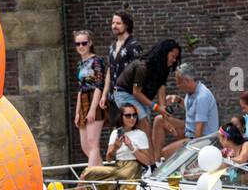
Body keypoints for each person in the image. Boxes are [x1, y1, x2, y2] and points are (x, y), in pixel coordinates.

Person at [67, 105, 153, 190]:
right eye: (128, 115)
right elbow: (108, 158)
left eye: (134, 115)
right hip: (118, 168)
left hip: (132, 170)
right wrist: (115, 148)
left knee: (88, 173)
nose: (132, 118)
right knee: (85, 175)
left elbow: (147, 161)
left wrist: (131, 147)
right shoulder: (115, 133)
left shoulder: (140, 134)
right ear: (121, 117)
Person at [115, 39, 181, 154]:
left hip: (140, 97)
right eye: (173, 56)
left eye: (176, 57)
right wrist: (156, 107)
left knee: (145, 129)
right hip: (125, 93)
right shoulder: (143, 67)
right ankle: (150, 164)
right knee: (144, 124)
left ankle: (150, 162)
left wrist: (165, 117)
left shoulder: (163, 69)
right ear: (164, 53)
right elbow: (136, 92)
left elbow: (161, 90)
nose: (174, 60)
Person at [163, 62, 218, 159]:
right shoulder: (191, 92)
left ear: (187, 81)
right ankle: (153, 165)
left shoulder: (202, 96)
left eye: (179, 82)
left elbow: (199, 132)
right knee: (160, 120)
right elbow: (192, 110)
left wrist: (193, 154)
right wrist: (178, 100)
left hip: (202, 139)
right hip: (189, 131)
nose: (177, 85)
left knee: (166, 152)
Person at [99, 11, 141, 128]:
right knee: (118, 132)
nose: (114, 26)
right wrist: (104, 95)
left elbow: (139, 72)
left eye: (118, 23)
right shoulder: (112, 46)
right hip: (113, 97)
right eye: (113, 23)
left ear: (126, 25)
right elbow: (109, 71)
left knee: (132, 132)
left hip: (128, 97)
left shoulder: (133, 46)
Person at [73, 29, 107, 167]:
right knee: (85, 146)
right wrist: (77, 112)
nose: (81, 46)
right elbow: (80, 89)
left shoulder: (96, 61)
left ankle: (89, 176)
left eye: (84, 43)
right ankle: (103, 176)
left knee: (93, 142)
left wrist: (93, 109)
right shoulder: (80, 64)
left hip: (94, 98)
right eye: (78, 44)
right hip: (83, 100)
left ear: (90, 43)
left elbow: (99, 85)